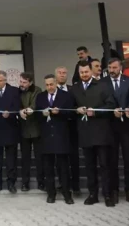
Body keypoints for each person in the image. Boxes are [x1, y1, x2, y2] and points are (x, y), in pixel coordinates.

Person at [70, 61, 116, 207]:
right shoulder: (74, 88)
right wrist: (76, 109)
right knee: (89, 166)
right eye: (81, 72)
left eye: (86, 72)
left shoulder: (103, 85)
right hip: (85, 132)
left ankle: (107, 195)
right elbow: (70, 107)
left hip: (102, 132)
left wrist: (95, 112)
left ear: (91, 71)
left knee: (104, 165)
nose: (84, 75)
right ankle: (93, 194)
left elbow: (111, 106)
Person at [101, 58, 129, 205]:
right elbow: (102, 102)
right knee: (112, 160)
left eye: (114, 67)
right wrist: (112, 111)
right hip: (110, 126)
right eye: (110, 68)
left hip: (127, 125)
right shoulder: (103, 82)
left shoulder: (128, 81)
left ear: (120, 68)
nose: (112, 70)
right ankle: (114, 190)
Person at [36, 74, 74, 204]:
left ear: (56, 83)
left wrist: (61, 111)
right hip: (46, 136)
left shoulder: (66, 96)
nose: (49, 87)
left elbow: (71, 112)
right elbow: (36, 114)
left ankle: (67, 194)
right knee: (48, 168)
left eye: (51, 84)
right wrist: (42, 113)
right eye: (47, 85)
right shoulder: (41, 96)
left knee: (63, 168)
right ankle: (51, 193)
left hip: (61, 136)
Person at [0, 70, 21, 194]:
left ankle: (11, 183)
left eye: (0, 80)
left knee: (11, 159)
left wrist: (10, 113)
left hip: (10, 128)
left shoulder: (14, 91)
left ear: (6, 80)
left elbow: (18, 107)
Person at [54, 67, 80, 196]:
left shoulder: (73, 90)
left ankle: (76, 185)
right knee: (60, 159)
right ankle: (62, 184)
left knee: (74, 158)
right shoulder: (52, 90)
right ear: (56, 75)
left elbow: (77, 105)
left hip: (72, 128)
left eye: (64, 73)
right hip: (58, 129)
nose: (62, 75)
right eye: (59, 73)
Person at [19, 72, 43, 191]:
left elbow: (35, 105)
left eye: (24, 82)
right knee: (25, 158)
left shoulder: (37, 90)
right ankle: (25, 183)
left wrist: (28, 110)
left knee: (39, 158)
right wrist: (20, 111)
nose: (22, 84)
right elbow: (15, 103)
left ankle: (41, 182)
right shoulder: (18, 91)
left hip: (36, 128)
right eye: (20, 81)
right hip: (23, 129)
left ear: (30, 82)